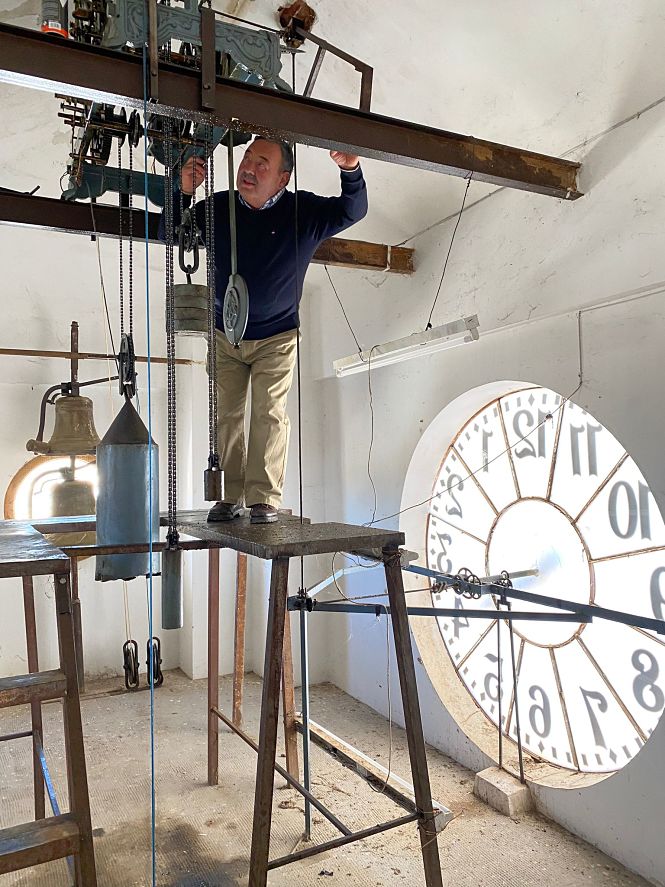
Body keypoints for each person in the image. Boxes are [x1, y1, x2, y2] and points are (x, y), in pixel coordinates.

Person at [168, 137, 368, 523]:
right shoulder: (219, 207)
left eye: (263, 163)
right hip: (225, 335)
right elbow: (169, 232)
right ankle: (228, 496)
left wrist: (350, 169)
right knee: (225, 415)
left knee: (269, 414)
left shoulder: (302, 212)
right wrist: (184, 192)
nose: (249, 167)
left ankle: (263, 499)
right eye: (247, 158)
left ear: (282, 178)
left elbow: (352, 210)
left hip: (276, 337)